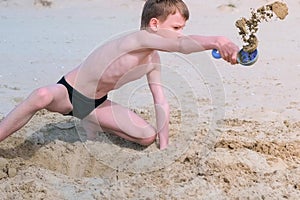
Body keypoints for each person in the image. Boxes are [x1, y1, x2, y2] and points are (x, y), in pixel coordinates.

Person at [0, 0, 238, 150]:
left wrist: (163, 145)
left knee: (146, 136)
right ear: (154, 24)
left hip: (95, 104)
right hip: (68, 93)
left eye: (182, 29)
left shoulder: (153, 60)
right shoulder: (138, 38)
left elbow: (160, 101)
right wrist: (217, 41)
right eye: (176, 28)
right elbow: (183, 45)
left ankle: (90, 121)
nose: (180, 34)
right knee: (41, 95)